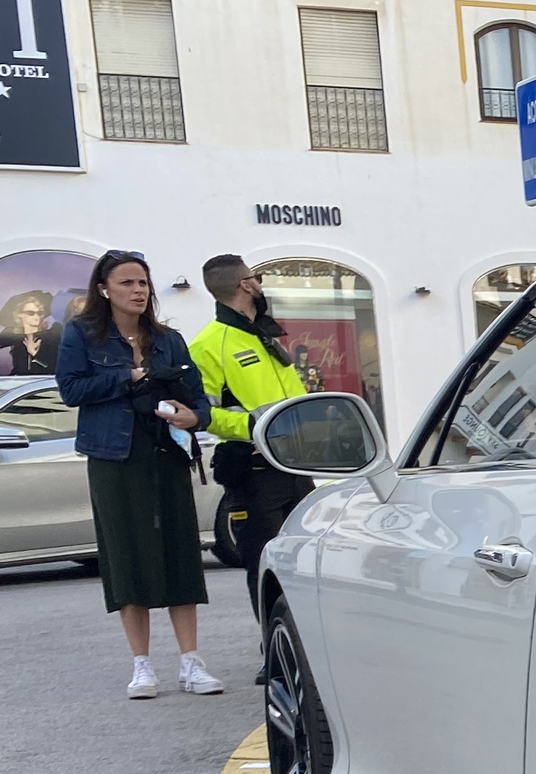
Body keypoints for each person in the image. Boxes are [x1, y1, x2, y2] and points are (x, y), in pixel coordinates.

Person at [55, 250, 221, 698]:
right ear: (104, 289)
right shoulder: (82, 335)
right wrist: (127, 378)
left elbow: (199, 399)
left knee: (180, 550)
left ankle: (191, 662)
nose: (138, 291)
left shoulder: (169, 340)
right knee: (126, 555)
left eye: (143, 283)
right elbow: (71, 390)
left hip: (166, 453)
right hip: (114, 456)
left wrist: (193, 417)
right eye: (127, 283)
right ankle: (142, 665)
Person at [190, 255, 312, 617]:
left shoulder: (264, 334)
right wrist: (257, 426)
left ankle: (307, 649)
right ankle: (272, 653)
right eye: (256, 278)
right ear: (246, 284)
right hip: (253, 469)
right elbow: (203, 414)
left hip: (296, 465)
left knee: (304, 565)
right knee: (265, 566)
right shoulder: (209, 345)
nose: (261, 285)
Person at [2, 290, 63, 374]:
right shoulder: (12, 336)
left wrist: (35, 354)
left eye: (40, 313)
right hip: (18, 384)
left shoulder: (52, 337)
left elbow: (55, 370)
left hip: (43, 385)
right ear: (19, 314)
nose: (36, 316)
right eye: (30, 313)